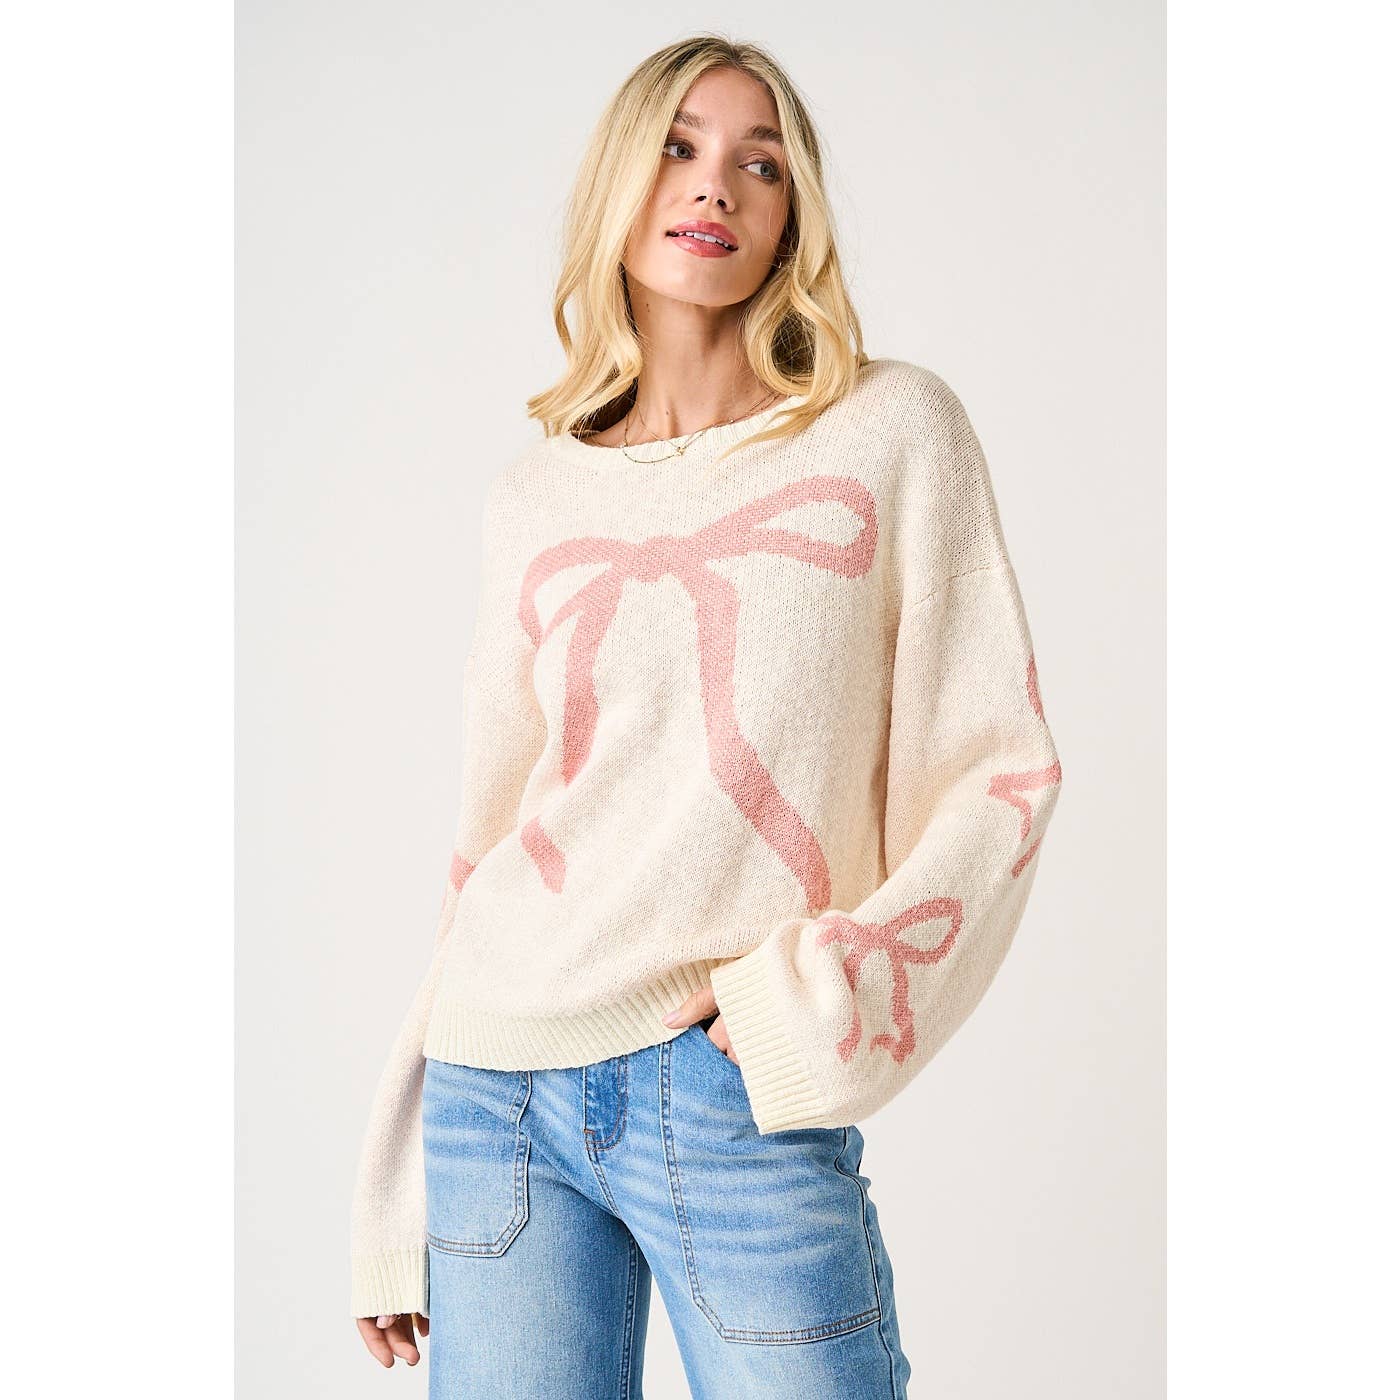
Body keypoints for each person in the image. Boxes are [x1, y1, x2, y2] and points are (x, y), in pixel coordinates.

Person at [350, 33, 1063, 1399]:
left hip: (732, 1082)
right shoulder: (534, 499)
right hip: (497, 1093)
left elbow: (1002, 774)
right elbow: (488, 843)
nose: (716, 184)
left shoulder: (892, 433)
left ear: (794, 217)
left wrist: (822, 995)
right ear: (618, 185)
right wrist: (394, 1184)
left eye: (762, 163)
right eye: (679, 147)